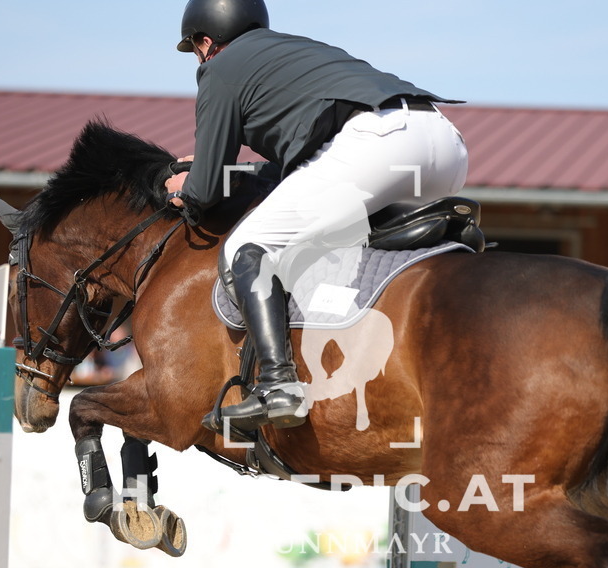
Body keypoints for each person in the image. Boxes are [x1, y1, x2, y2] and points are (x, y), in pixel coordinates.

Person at [165, 0, 469, 431]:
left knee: (245, 248)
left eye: (195, 48)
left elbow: (206, 190)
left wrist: (186, 188)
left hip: (375, 145)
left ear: (205, 41)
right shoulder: (294, 52)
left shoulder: (220, 66)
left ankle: (277, 385)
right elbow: (296, 169)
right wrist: (228, 172)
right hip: (443, 143)